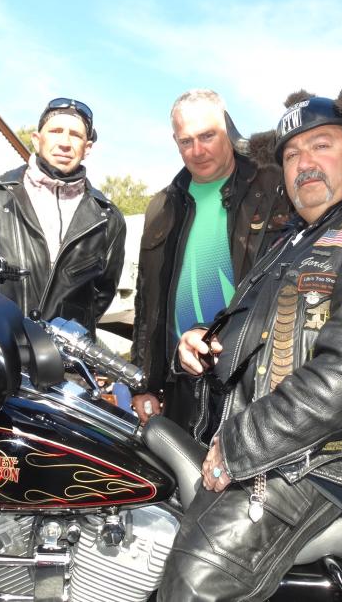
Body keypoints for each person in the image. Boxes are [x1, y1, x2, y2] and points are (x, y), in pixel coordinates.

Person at [158, 53, 342, 599]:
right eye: (292, 154)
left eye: (322, 146)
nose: (304, 163)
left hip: (326, 458)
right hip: (267, 447)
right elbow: (262, 340)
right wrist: (201, 342)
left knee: (194, 581)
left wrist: (244, 440)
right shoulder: (291, 243)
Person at [130, 89, 292, 434]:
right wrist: (143, 383)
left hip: (251, 386)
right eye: (186, 141)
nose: (198, 150)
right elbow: (148, 302)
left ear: (229, 130)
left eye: (208, 136)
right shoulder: (163, 205)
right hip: (181, 385)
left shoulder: (275, 185)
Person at [0, 98, 126, 335]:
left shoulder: (108, 218)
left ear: (87, 148)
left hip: (63, 363)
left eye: (75, 135)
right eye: (56, 131)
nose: (65, 143)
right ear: (37, 140)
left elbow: (102, 294)